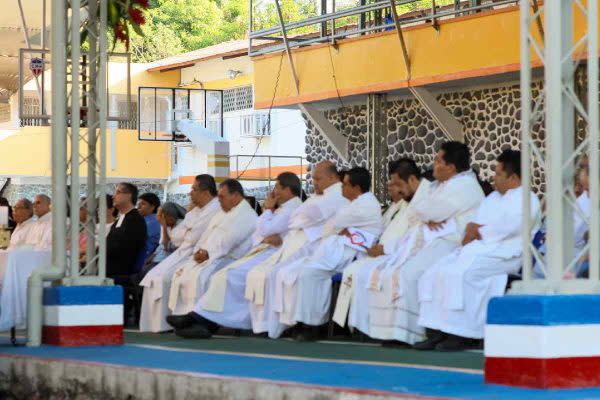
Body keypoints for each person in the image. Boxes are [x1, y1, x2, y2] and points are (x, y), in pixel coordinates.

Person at [357, 141, 485, 345]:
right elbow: (419, 212)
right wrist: (429, 215)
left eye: (437, 160)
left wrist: (430, 215)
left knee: (411, 274)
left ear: (451, 167)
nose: (433, 164)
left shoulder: (465, 185)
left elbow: (427, 211)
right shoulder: (442, 185)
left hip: (451, 242)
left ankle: (418, 332)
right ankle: (396, 333)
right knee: (391, 272)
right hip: (432, 240)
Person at [415, 150, 540, 351]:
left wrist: (478, 231)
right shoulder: (492, 198)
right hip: (481, 249)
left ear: (514, 177)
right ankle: (437, 330)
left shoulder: (528, 199)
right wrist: (473, 231)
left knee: (462, 274)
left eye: (499, 174)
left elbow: (509, 228)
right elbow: (474, 224)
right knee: (435, 271)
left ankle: (461, 334)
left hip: (507, 254)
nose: (494, 178)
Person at [166, 172, 304, 338]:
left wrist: (267, 211)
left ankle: (200, 320)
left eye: (276, 187)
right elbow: (259, 234)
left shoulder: (293, 207)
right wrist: (266, 233)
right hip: (264, 251)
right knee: (224, 276)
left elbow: (264, 230)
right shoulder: (284, 208)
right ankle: (200, 320)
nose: (273, 192)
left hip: (274, 256)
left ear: (288, 190)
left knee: (227, 276)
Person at [244, 161, 348, 336]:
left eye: (318, 179)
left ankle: (287, 324)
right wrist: (299, 218)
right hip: (298, 242)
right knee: (269, 272)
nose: (314, 182)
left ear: (332, 177)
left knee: (282, 274)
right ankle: (269, 324)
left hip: (314, 247)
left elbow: (304, 216)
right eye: (313, 178)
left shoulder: (337, 195)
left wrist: (298, 218)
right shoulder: (318, 195)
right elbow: (297, 218)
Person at [282, 167, 383, 341]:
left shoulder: (366, 203)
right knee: (303, 270)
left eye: (344, 185)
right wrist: (342, 229)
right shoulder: (355, 203)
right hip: (342, 248)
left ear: (356, 188)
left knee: (310, 272)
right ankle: (303, 321)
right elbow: (333, 227)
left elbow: (335, 224)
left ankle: (312, 325)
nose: (341, 188)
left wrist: (343, 229)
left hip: (354, 253)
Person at [333, 159, 430, 334]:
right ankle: (353, 325)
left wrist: (383, 248)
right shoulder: (393, 207)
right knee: (355, 270)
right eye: (391, 184)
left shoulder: (412, 204)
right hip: (382, 249)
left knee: (364, 272)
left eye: (395, 184)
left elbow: (409, 236)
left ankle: (368, 326)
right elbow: (380, 233)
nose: (392, 188)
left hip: (396, 252)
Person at [139, 175, 221, 333]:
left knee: (168, 277)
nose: (190, 193)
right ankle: (155, 324)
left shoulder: (215, 208)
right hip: (184, 250)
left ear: (205, 192)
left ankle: (182, 321)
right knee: (154, 275)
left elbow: (193, 235)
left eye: (193, 189)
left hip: (198, 253)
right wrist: (187, 232)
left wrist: (187, 232)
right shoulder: (195, 211)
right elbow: (177, 235)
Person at [166, 179, 258, 318]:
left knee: (203, 276)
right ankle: (184, 315)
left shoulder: (246, 214)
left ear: (236, 196)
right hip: (210, 256)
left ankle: (200, 318)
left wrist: (208, 253)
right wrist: (199, 251)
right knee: (183, 273)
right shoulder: (222, 213)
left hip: (230, 259)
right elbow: (205, 236)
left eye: (222, 196)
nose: (218, 200)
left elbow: (230, 240)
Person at [107, 183, 147, 279]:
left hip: (118, 272)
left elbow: (119, 247)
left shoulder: (135, 220)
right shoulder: (121, 218)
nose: (113, 196)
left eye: (118, 192)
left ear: (129, 195)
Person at [136, 193, 161, 270]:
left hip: (142, 260)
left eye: (143, 204)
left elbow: (135, 239)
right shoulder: (144, 220)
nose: (138, 206)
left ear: (152, 207)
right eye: (138, 204)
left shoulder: (152, 222)